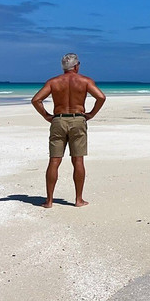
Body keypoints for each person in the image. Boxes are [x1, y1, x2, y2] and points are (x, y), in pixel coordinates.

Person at [32, 53, 106, 208]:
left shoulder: (54, 82)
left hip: (58, 120)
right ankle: (78, 200)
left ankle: (49, 201)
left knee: (54, 160)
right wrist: (91, 114)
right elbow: (101, 97)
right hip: (78, 119)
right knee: (78, 160)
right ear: (77, 66)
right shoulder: (85, 81)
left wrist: (47, 116)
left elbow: (36, 100)